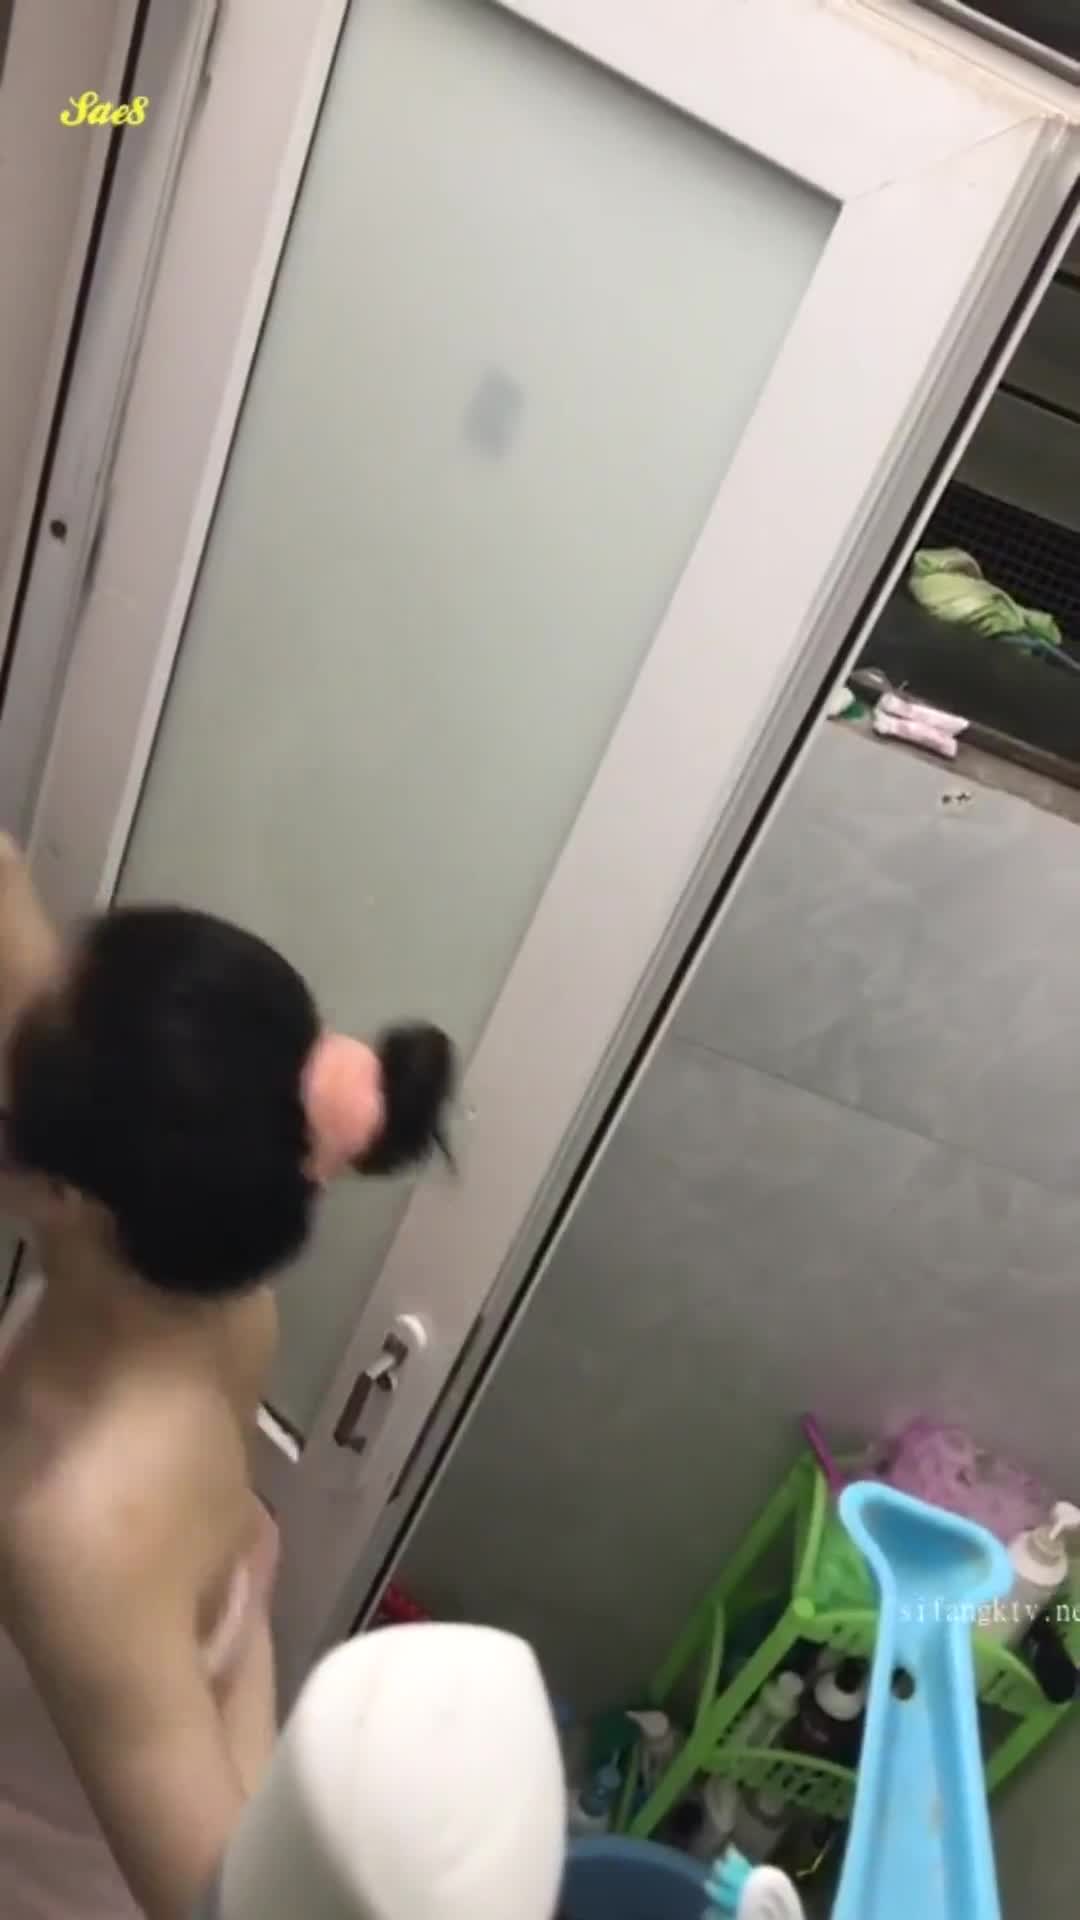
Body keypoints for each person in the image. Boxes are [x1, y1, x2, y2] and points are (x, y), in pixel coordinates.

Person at [0, 835, 454, 1920]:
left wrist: (237, 1643)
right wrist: (240, 1587)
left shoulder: (72, 1525)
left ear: (66, 1193)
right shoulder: (206, 1295)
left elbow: (223, 1906)